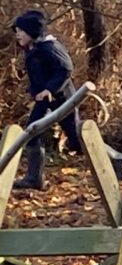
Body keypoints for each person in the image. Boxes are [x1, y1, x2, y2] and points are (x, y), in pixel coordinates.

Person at [11, 10, 82, 190]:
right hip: (44, 100)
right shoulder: (33, 49)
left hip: (63, 99)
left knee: (77, 140)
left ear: (32, 32)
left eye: (21, 31)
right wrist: (36, 91)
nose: (17, 34)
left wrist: (50, 89)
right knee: (32, 133)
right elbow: (38, 74)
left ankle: (118, 160)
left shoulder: (50, 47)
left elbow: (65, 69)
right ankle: (34, 178)